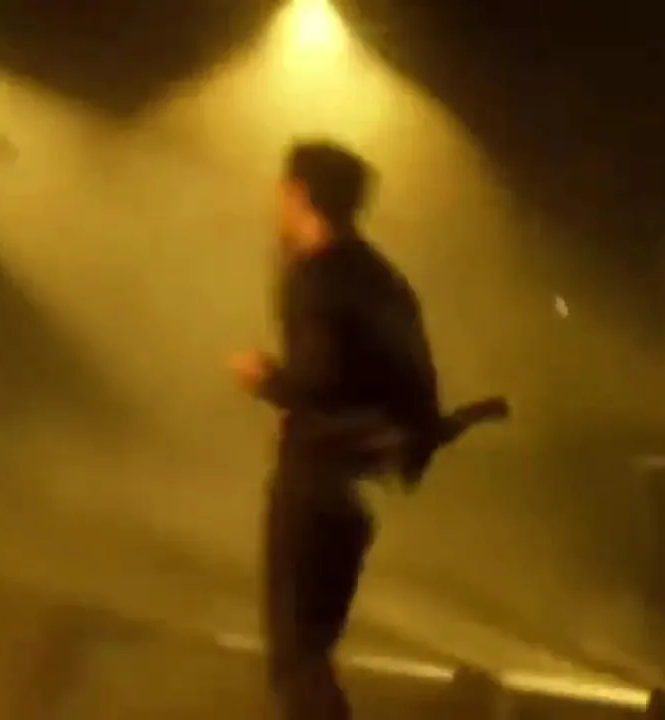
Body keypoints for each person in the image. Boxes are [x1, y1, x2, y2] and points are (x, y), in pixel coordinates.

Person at [229, 140, 447, 720]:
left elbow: (319, 379)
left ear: (300, 194)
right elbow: (418, 387)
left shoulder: (316, 276)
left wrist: (267, 379)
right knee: (313, 653)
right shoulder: (381, 278)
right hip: (357, 494)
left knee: (296, 660)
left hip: (314, 485)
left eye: (282, 192)